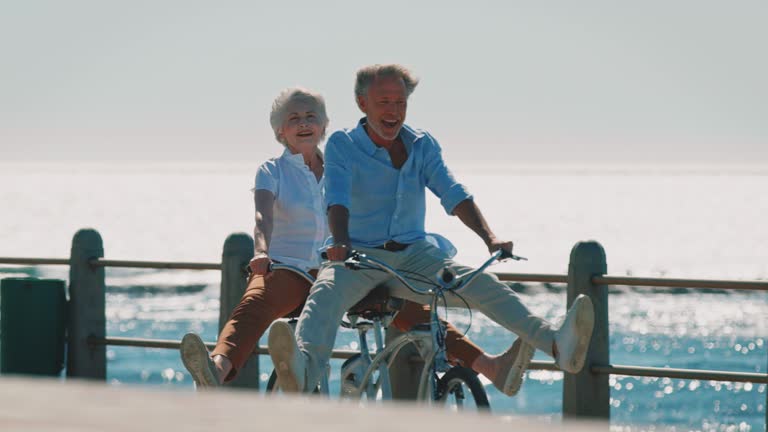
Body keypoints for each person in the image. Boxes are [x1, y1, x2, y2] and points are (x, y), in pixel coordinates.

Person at [179, 87, 537, 396]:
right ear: (280, 131)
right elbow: (263, 216)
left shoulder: (344, 162)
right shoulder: (272, 171)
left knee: (416, 307)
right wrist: (260, 252)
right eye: (294, 118)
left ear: (323, 125)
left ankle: (493, 368)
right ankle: (217, 368)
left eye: (311, 116)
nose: (304, 123)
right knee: (256, 303)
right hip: (294, 270)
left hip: (347, 271)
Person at [268, 65, 596, 396]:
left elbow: (452, 192)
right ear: (362, 103)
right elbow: (336, 199)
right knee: (325, 295)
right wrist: (339, 243)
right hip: (358, 255)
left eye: (400, 102)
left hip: (415, 255)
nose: (393, 111)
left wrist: (490, 238)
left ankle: (556, 344)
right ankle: (302, 370)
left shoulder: (423, 145)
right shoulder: (343, 144)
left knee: (482, 284)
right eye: (384, 101)